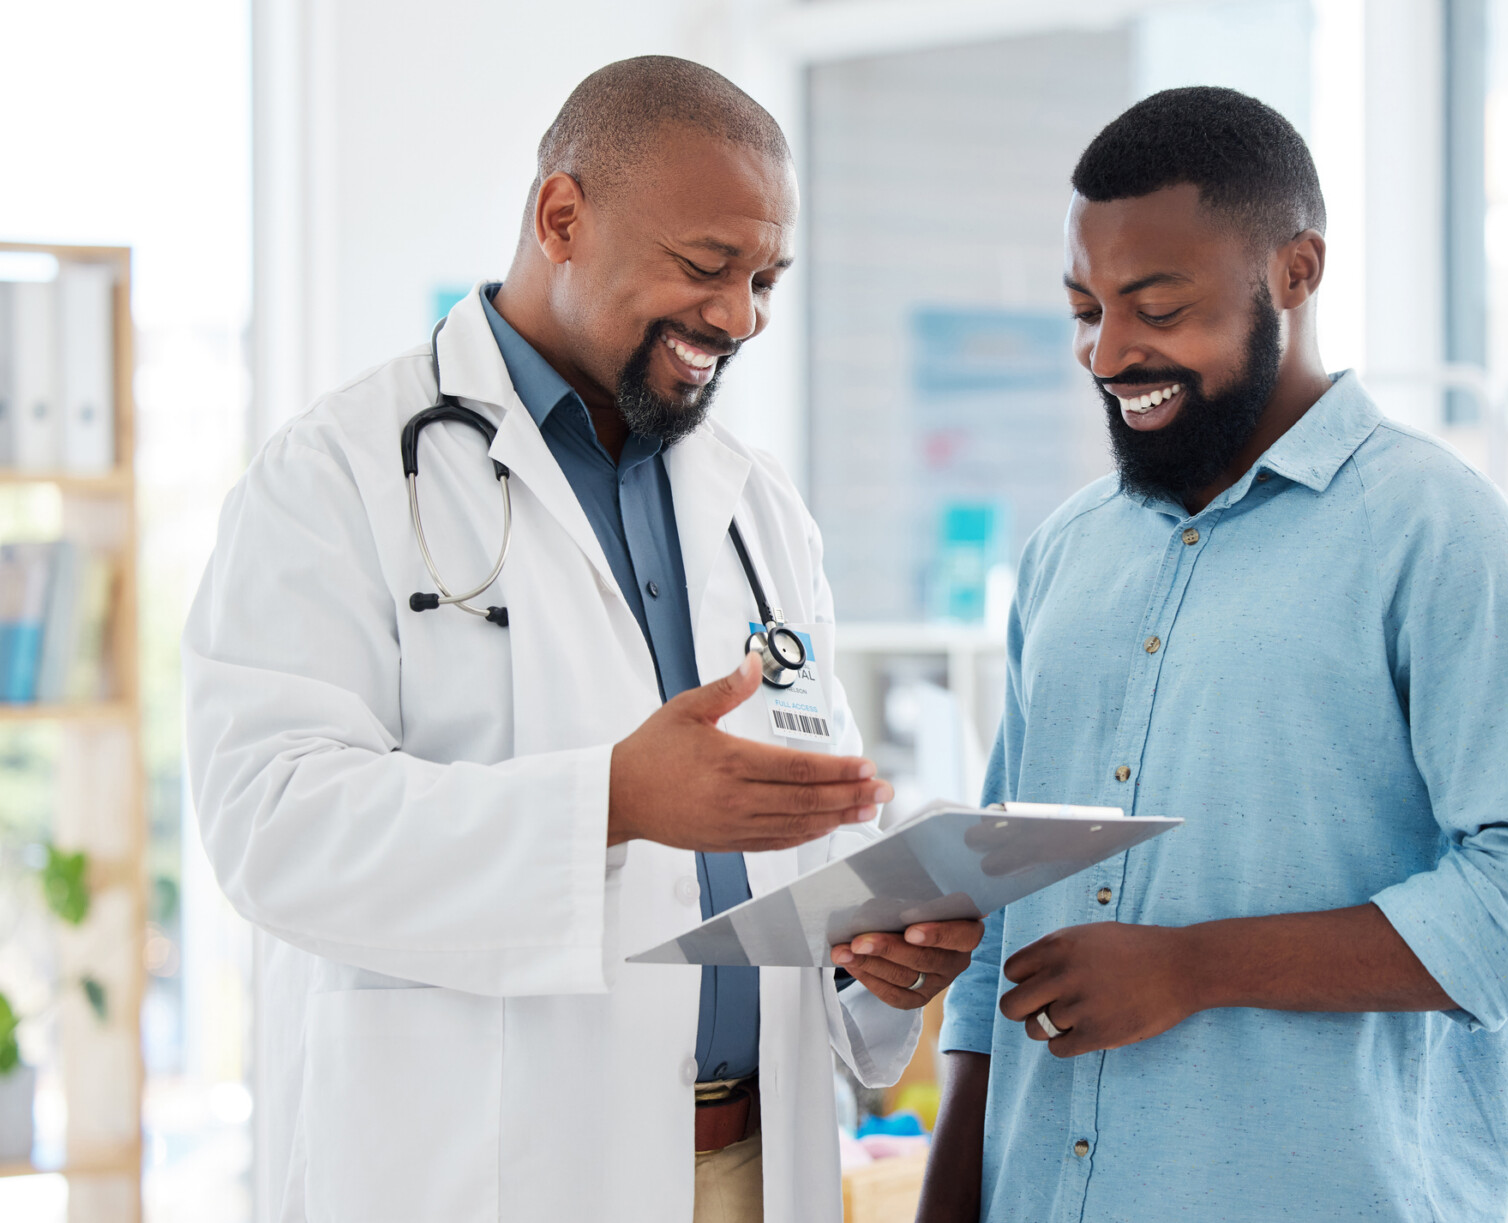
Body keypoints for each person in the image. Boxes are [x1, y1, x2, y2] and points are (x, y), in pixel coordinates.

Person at [184, 56, 980, 1223]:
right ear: (562, 217)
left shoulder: (757, 508)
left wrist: (875, 958)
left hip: (755, 1164)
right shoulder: (335, 473)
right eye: (708, 266)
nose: (741, 315)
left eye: (766, 278)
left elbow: (806, 834)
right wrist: (608, 800)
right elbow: (271, 821)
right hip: (487, 1168)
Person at [918, 86, 1508, 1223]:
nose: (1109, 351)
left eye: (1157, 304)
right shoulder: (1064, 554)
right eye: (1085, 308)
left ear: (1296, 270)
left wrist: (1195, 966)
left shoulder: (1440, 531)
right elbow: (1007, 910)